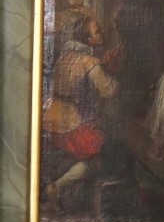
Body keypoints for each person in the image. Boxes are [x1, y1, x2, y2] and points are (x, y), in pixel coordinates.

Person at [42, 16, 119, 204]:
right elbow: (110, 90)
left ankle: (54, 184)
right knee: (97, 160)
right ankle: (57, 187)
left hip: (52, 118)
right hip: (73, 122)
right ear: (89, 40)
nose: (102, 33)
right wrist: (113, 71)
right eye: (97, 31)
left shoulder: (64, 57)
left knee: (73, 155)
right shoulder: (89, 61)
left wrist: (102, 65)